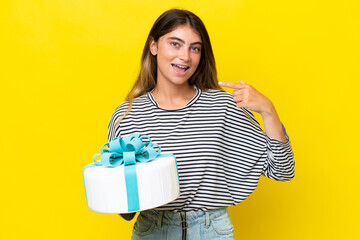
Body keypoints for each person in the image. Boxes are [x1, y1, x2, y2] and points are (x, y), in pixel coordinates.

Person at [107, 8, 295, 240]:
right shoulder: (128, 115)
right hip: (152, 231)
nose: (185, 56)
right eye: (175, 44)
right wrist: (123, 190)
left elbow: (283, 171)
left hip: (211, 230)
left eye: (194, 48)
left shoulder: (223, 107)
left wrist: (269, 110)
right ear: (153, 46)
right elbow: (126, 211)